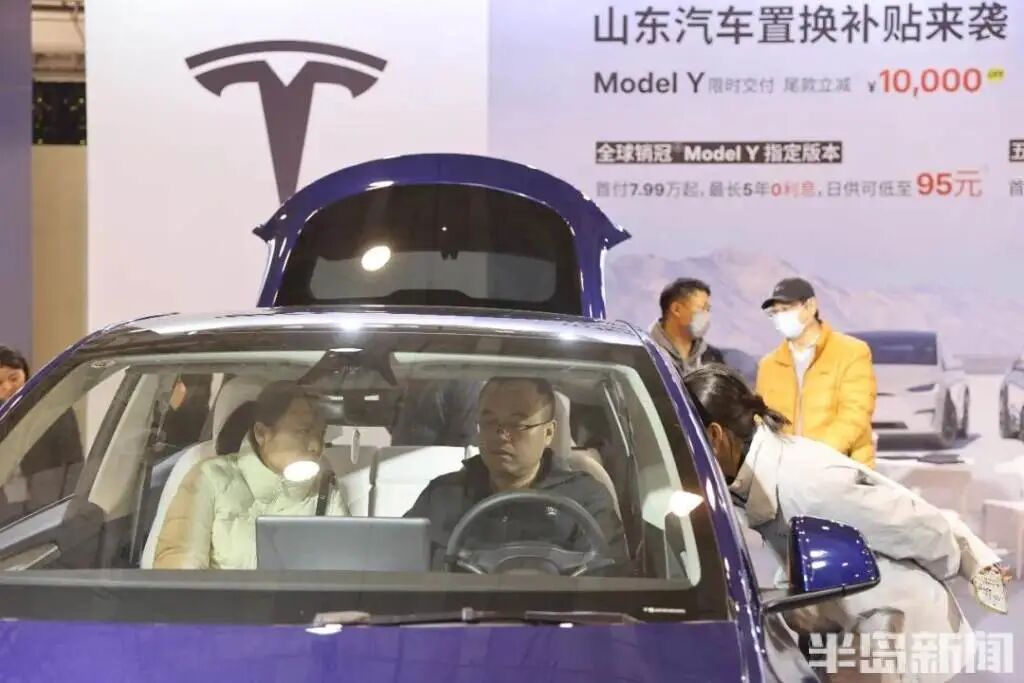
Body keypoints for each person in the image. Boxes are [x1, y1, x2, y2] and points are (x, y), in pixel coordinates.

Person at [684, 364, 1006, 683]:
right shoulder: (746, 475)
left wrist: (970, 562)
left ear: (715, 436)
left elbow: (914, 525)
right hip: (853, 632)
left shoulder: (807, 484)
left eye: (684, 443)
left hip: (899, 633)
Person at [405, 377, 627, 572]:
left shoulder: (585, 499)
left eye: (517, 424)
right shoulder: (442, 495)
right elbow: (399, 562)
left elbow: (608, 582)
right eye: (490, 422)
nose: (501, 435)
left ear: (549, 432)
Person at [154, 380, 348, 569]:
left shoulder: (325, 491)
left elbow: (346, 567)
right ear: (261, 433)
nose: (316, 446)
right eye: (303, 431)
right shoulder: (210, 477)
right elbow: (179, 566)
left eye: (321, 434)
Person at [756, 277, 877, 468]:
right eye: (775, 313)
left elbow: (855, 414)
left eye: (786, 309)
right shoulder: (769, 365)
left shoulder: (851, 352)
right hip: (787, 472)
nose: (780, 317)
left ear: (810, 306)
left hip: (841, 470)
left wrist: (814, 457)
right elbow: (763, 422)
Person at [0, 346, 83, 520]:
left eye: (14, 378)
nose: (8, 387)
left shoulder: (53, 405)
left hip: (47, 506)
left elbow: (75, 462)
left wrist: (70, 505)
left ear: (25, 373)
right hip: (5, 511)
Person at [648, 278, 725, 375]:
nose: (706, 315)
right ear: (676, 309)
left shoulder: (713, 359)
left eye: (708, 309)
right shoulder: (645, 352)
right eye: (702, 308)